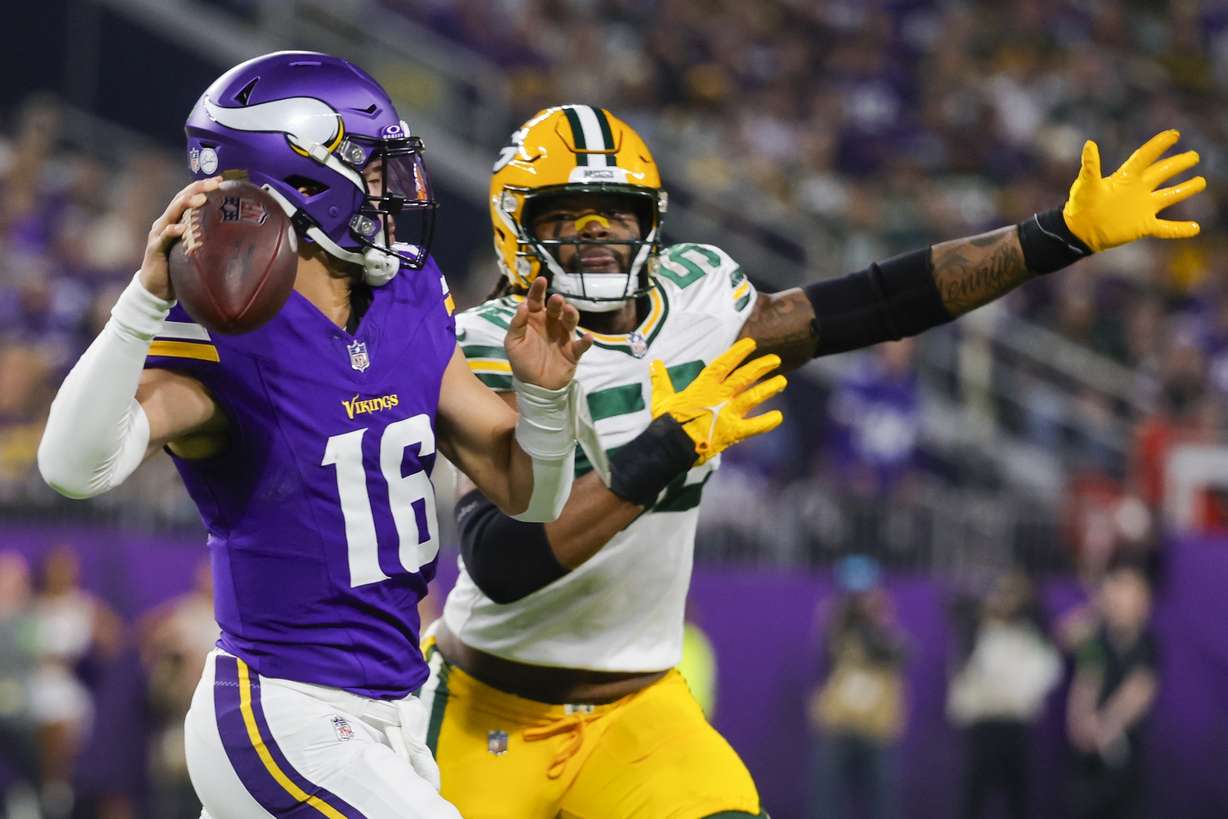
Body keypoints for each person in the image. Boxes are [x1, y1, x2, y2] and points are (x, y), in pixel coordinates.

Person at [421, 104, 1204, 817]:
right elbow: (502, 559)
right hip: (491, 702)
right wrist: (669, 442)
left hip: (636, 710)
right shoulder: (492, 342)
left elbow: (875, 302)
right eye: (567, 220)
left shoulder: (701, 301)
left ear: (650, 223)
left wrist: (1053, 236)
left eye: (614, 217)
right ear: (513, 230)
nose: (596, 239)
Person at [37, 52, 593, 819]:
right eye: (370, 168)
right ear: (302, 180)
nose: (392, 188)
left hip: (395, 714)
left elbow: (529, 491)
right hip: (282, 710)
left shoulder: (410, 292)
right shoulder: (219, 330)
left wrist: (545, 399)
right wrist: (141, 301)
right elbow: (71, 467)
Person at [947, 572, 1061, 819]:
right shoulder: (976, 633)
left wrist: (1020, 696)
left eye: (1011, 594)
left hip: (1015, 722)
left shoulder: (1030, 634)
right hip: (983, 722)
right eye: (999, 593)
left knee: (1017, 791)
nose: (1003, 600)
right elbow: (961, 675)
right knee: (975, 791)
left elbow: (1048, 668)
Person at [807, 555, 906, 819]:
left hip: (876, 727)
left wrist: (876, 621)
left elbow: (896, 653)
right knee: (825, 800)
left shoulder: (885, 625)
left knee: (881, 802)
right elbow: (828, 650)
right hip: (839, 724)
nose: (858, 601)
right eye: (852, 595)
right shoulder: (836, 622)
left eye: (863, 594)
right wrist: (845, 618)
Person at [1067, 560, 1158, 819]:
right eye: (1116, 592)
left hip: (1123, 756)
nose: (1120, 600)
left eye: (1128, 592)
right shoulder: (1096, 641)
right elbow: (1087, 679)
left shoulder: (1147, 646)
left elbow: (1139, 691)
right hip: (1087, 758)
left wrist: (1106, 721)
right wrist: (1080, 721)